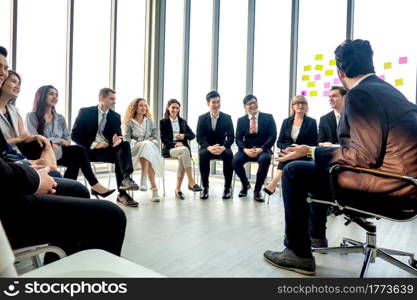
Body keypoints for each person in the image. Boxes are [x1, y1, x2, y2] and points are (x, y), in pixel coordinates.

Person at [263, 39, 417, 275]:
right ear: (370, 63)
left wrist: (311, 150)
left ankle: (297, 253)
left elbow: (362, 157)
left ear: (340, 72)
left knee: (295, 171)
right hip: (406, 183)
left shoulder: (360, 95)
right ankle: (315, 236)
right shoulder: (389, 91)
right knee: (317, 169)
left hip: (390, 186)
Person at [0, 46, 126, 262]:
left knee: (77, 180)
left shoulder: (27, 113)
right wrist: (34, 173)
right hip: (10, 193)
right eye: (2, 70)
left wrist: (35, 162)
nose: (4, 74)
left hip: (36, 159)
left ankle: (55, 264)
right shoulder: (32, 115)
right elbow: (21, 141)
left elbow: (61, 137)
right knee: (110, 215)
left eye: (5, 69)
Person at [26, 85, 115, 198]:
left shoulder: (60, 118)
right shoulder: (31, 116)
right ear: (42, 96)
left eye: (56, 94)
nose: (55, 97)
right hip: (43, 154)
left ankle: (65, 191)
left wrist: (59, 142)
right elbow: (35, 138)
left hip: (59, 152)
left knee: (76, 158)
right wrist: (57, 141)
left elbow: (67, 139)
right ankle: (92, 185)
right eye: (51, 94)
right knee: (79, 150)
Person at [71, 88, 139, 207]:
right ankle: (122, 189)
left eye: (115, 99)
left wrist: (116, 141)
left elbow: (117, 135)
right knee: (120, 156)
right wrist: (95, 144)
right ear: (102, 98)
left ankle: (125, 184)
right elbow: (75, 135)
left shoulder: (115, 116)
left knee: (124, 146)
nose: (114, 102)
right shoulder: (85, 112)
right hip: (87, 151)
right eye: (111, 99)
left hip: (106, 150)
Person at [0, 70, 57, 168]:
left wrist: (36, 137)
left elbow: (23, 136)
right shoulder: (30, 115)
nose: (18, 86)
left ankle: (50, 171)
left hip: (16, 152)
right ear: (2, 82)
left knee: (42, 141)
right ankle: (49, 174)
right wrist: (19, 139)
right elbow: (17, 139)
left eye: (19, 84)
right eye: (13, 81)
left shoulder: (14, 110)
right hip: (5, 155)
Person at [263, 96, 317, 195]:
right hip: (287, 152)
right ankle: (277, 184)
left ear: (306, 106)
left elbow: (314, 143)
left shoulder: (311, 122)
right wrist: (289, 148)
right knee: (286, 155)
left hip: (303, 154)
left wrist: (297, 148)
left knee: (285, 157)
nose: (300, 105)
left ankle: (274, 183)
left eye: (303, 103)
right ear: (293, 106)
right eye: (297, 103)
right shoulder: (286, 122)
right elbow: (279, 142)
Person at [232, 94, 277, 202]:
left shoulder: (268, 117)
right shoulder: (241, 120)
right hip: (246, 150)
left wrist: (262, 148)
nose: (252, 105)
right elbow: (238, 139)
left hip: (263, 150)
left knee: (265, 159)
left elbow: (273, 136)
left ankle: (257, 190)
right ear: (245, 107)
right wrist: (245, 149)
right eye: (249, 104)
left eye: (254, 102)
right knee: (235, 161)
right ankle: (245, 184)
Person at [160, 99, 202, 200]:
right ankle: (191, 182)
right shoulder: (163, 122)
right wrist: (175, 144)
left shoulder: (182, 122)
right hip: (170, 149)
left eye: (177, 108)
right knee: (184, 151)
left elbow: (192, 135)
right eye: (173, 107)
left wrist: (183, 136)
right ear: (168, 108)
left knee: (183, 154)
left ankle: (178, 189)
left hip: (183, 150)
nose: (175, 110)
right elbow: (163, 139)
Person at [122, 98, 162, 202]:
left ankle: (145, 180)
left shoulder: (150, 122)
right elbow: (126, 140)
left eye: (145, 106)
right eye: (141, 105)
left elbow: (155, 139)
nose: (144, 108)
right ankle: (154, 189)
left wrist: (147, 141)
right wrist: (141, 141)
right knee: (146, 145)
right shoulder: (128, 123)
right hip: (134, 149)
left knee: (147, 147)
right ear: (135, 108)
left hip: (149, 148)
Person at [196, 91, 234, 200]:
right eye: (213, 102)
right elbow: (199, 137)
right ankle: (205, 187)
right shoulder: (202, 118)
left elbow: (231, 137)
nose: (216, 105)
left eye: (218, 102)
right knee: (202, 155)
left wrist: (222, 147)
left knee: (228, 155)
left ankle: (227, 188)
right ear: (208, 103)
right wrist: (209, 147)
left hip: (222, 147)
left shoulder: (227, 118)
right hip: (208, 147)